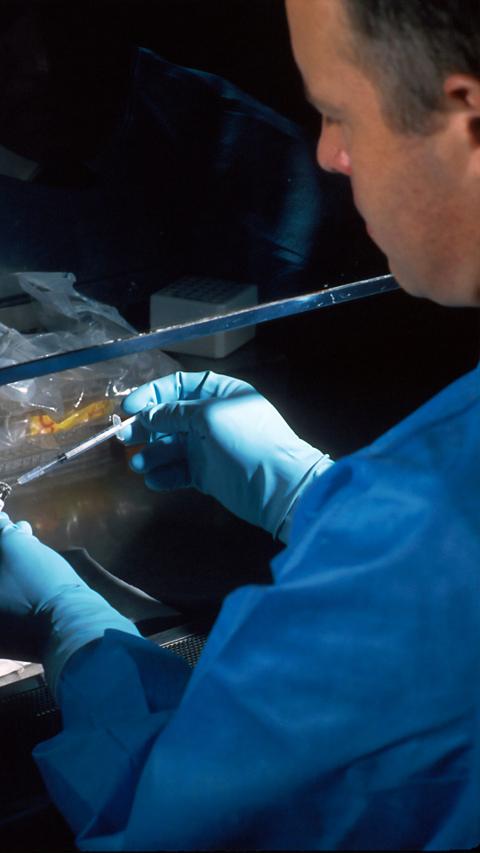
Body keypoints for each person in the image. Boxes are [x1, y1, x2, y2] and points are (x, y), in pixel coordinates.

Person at [0, 0, 479, 849]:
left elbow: (168, 824)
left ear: (466, 115)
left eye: (337, 112)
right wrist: (315, 496)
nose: (326, 155)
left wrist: (69, 625)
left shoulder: (423, 544)